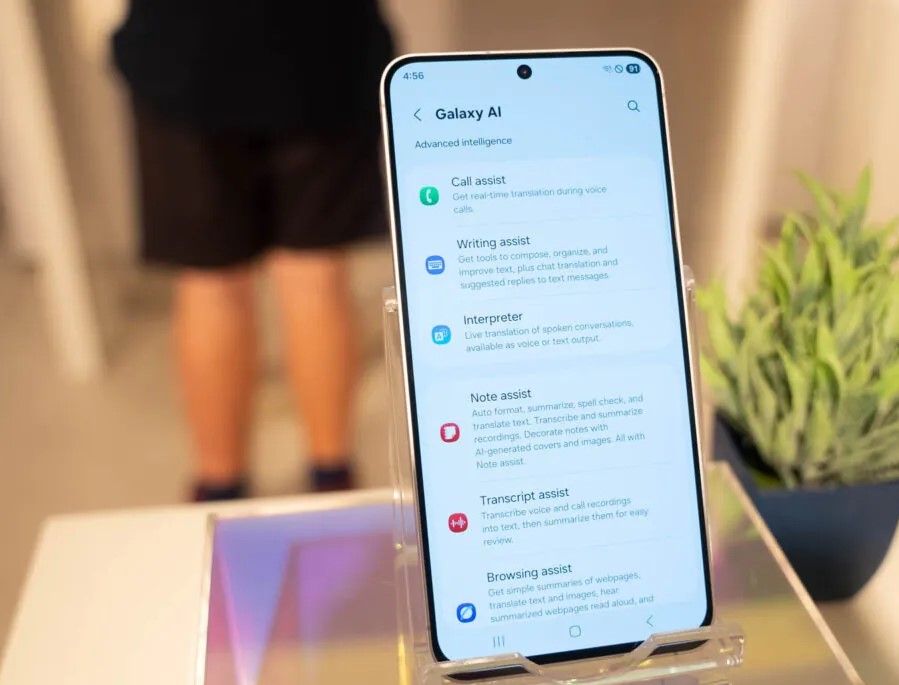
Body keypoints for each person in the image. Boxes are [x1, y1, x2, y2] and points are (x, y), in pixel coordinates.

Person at [112, 1, 394, 499]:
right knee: (314, 277)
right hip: (321, 50)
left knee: (212, 282)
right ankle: (331, 483)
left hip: (187, 50)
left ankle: (221, 490)